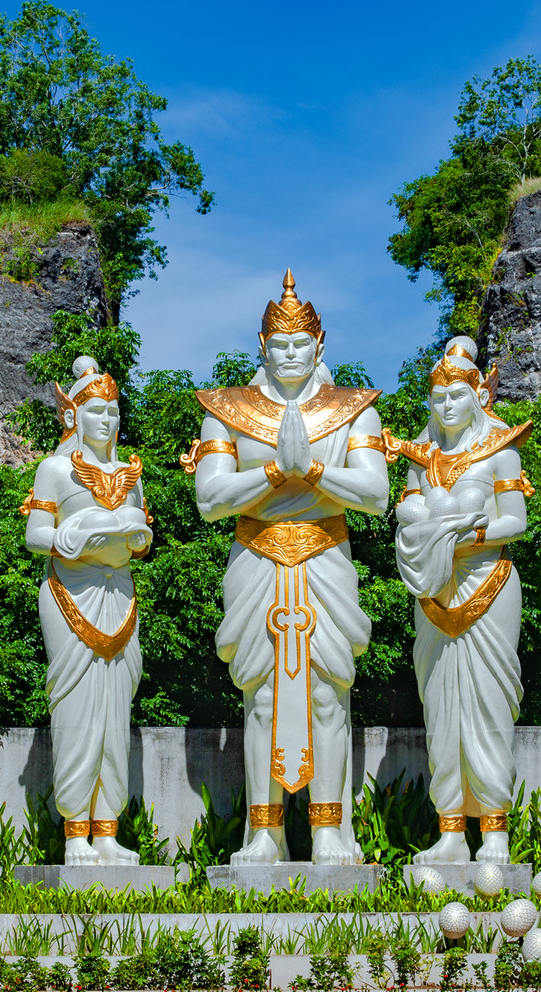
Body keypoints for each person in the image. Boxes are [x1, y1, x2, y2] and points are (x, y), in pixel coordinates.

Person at [184, 270, 389, 865]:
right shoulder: (227, 410)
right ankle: (264, 832)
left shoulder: (355, 411)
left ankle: (329, 828)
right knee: (263, 698)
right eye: (280, 345)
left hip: (326, 556)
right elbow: (209, 500)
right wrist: (276, 473)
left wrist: (317, 473)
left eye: (302, 345)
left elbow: (375, 495)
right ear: (262, 345)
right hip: (256, 557)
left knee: (328, 693)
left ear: (320, 347)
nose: (292, 354)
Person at [388, 336, 532, 864]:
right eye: (438, 399)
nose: (446, 407)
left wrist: (461, 538)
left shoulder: (500, 450)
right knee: (442, 706)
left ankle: (494, 831)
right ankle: (450, 830)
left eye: (457, 397)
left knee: (490, 703)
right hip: (434, 587)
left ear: (477, 396)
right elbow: (408, 516)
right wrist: (432, 539)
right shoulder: (422, 458)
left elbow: (515, 520)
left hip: (487, 582)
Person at [22, 356, 153, 865]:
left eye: (114, 411)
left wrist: (132, 536)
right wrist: (74, 535)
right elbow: (36, 537)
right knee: (76, 708)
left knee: (116, 710)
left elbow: (142, 534)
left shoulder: (130, 472)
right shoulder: (55, 469)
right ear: (74, 415)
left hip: (119, 590)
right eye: (96, 411)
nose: (107, 420)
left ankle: (106, 832)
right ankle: (75, 831)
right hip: (69, 592)